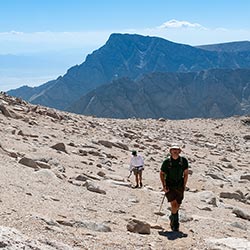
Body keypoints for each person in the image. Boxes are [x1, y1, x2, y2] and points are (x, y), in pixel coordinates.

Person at [160, 144, 189, 231]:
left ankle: (172, 216)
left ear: (179, 151)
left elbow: (186, 173)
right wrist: (164, 186)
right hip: (170, 185)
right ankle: (175, 224)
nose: (175, 151)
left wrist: (184, 185)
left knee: (178, 204)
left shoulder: (183, 161)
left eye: (177, 150)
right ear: (170, 151)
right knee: (174, 204)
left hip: (179, 185)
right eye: (173, 150)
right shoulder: (166, 162)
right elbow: (162, 173)